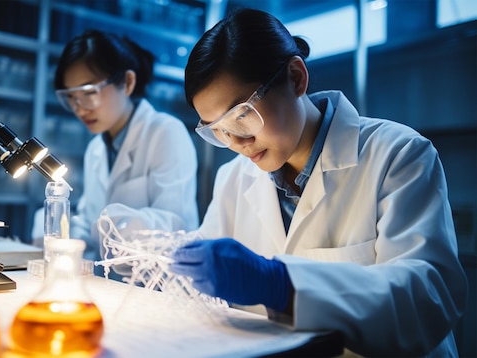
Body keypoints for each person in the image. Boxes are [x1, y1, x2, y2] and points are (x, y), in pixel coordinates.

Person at [168, 8, 468, 357]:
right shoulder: (233, 178)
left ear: (296, 78)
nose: (236, 142)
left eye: (242, 116)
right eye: (217, 130)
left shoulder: (398, 155)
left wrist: (282, 285)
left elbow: (425, 301)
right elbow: (202, 288)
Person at [32, 30, 199, 271]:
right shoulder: (96, 149)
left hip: (160, 282)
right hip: (112, 283)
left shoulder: (165, 132)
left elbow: (176, 225)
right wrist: (56, 224)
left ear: (128, 83)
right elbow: (92, 223)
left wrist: (122, 225)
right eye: (71, 97)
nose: (80, 109)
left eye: (89, 93)